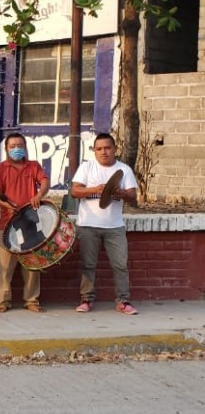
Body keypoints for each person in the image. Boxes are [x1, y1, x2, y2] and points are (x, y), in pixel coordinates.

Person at [70, 132, 139, 315]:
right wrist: (96, 189)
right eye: (99, 149)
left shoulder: (124, 170)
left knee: (120, 265)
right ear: (94, 151)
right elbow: (74, 191)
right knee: (88, 264)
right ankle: (86, 300)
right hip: (87, 225)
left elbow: (133, 196)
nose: (103, 152)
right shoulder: (87, 167)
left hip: (114, 226)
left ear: (115, 149)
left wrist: (120, 192)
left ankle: (123, 301)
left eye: (108, 148)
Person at [0, 132, 49, 313]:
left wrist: (39, 195)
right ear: (6, 149)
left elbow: (45, 181)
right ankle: (2, 301)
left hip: (32, 221)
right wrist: (7, 205)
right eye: (12, 146)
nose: (17, 149)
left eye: (20, 145)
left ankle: (31, 300)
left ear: (25, 147)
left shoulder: (33, 166)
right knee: (5, 266)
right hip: (8, 223)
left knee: (33, 263)